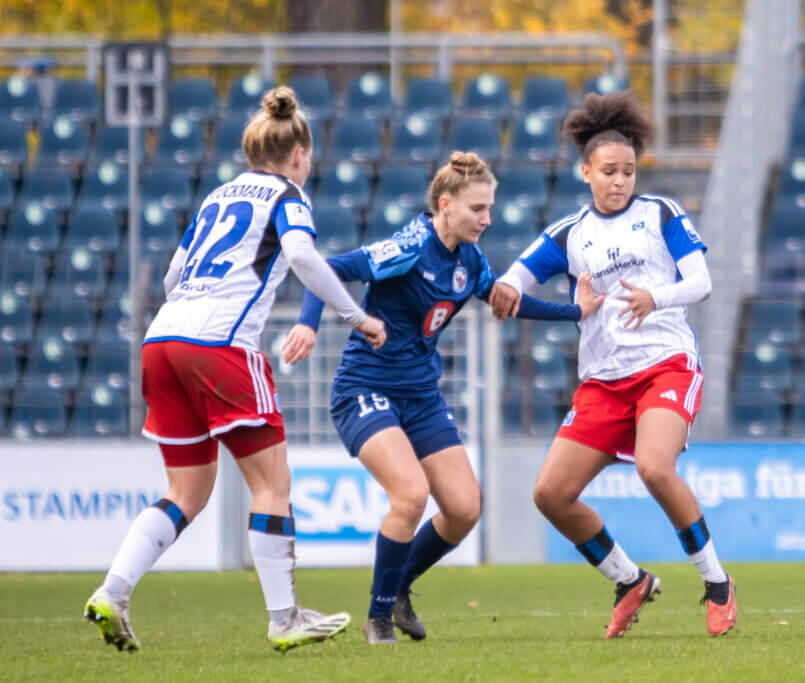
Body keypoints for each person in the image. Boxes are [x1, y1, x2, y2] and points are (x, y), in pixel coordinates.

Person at [84, 87, 387, 653]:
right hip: (221, 345)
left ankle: (112, 592)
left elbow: (175, 275)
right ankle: (284, 617)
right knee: (272, 485)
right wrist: (356, 315)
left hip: (162, 338)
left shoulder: (217, 197)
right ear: (299, 154)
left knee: (185, 492)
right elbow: (299, 256)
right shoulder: (289, 195)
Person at [280, 151, 603, 645]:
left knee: (464, 507)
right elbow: (326, 268)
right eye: (477, 208)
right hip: (366, 388)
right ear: (445, 204)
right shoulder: (410, 247)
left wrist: (574, 311)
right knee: (410, 494)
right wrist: (308, 321)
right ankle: (379, 617)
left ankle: (399, 585)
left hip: (420, 396)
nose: (487, 218)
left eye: (490, 208)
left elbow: (505, 300)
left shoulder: (469, 260)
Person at [490, 91, 737, 639]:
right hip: (603, 380)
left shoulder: (660, 214)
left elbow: (701, 281)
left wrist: (658, 298)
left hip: (665, 365)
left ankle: (716, 582)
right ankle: (629, 579)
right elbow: (516, 275)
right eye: (609, 171)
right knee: (550, 494)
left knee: (654, 467)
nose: (620, 180)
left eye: (628, 170)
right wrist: (507, 288)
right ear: (586, 172)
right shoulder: (569, 233)